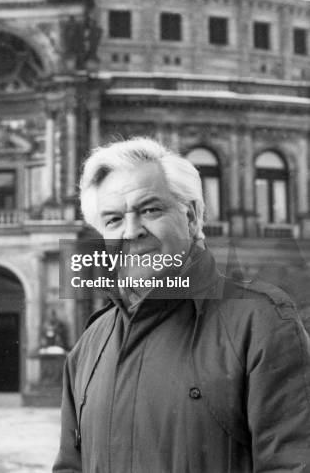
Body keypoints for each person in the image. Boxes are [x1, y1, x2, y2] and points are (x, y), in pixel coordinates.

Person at [53, 137, 310, 472]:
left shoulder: (260, 321)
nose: (132, 231)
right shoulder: (90, 343)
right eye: (113, 220)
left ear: (190, 218)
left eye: (150, 210)